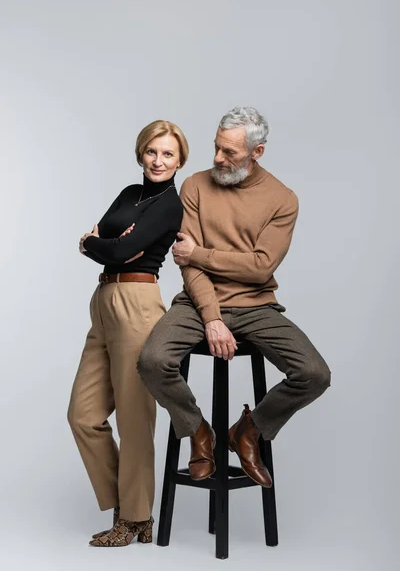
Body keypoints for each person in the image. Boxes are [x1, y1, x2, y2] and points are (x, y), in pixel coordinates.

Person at [138, 106, 331, 488]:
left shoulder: (282, 199)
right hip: (197, 302)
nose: (217, 159)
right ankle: (198, 431)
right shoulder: (193, 185)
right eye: (216, 147)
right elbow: (188, 265)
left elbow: (260, 268)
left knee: (314, 374)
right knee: (152, 361)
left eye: (230, 152)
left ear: (257, 152)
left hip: (257, 306)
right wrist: (210, 317)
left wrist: (201, 253)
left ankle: (248, 430)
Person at [67, 120, 187, 547]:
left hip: (138, 303)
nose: (159, 161)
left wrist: (102, 244)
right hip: (103, 302)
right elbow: (103, 241)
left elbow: (108, 246)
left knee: (135, 418)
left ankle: (136, 518)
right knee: (83, 416)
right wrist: (105, 243)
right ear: (141, 153)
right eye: (152, 152)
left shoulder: (170, 205)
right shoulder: (128, 194)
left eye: (168, 154)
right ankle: (128, 504)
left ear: (180, 160)